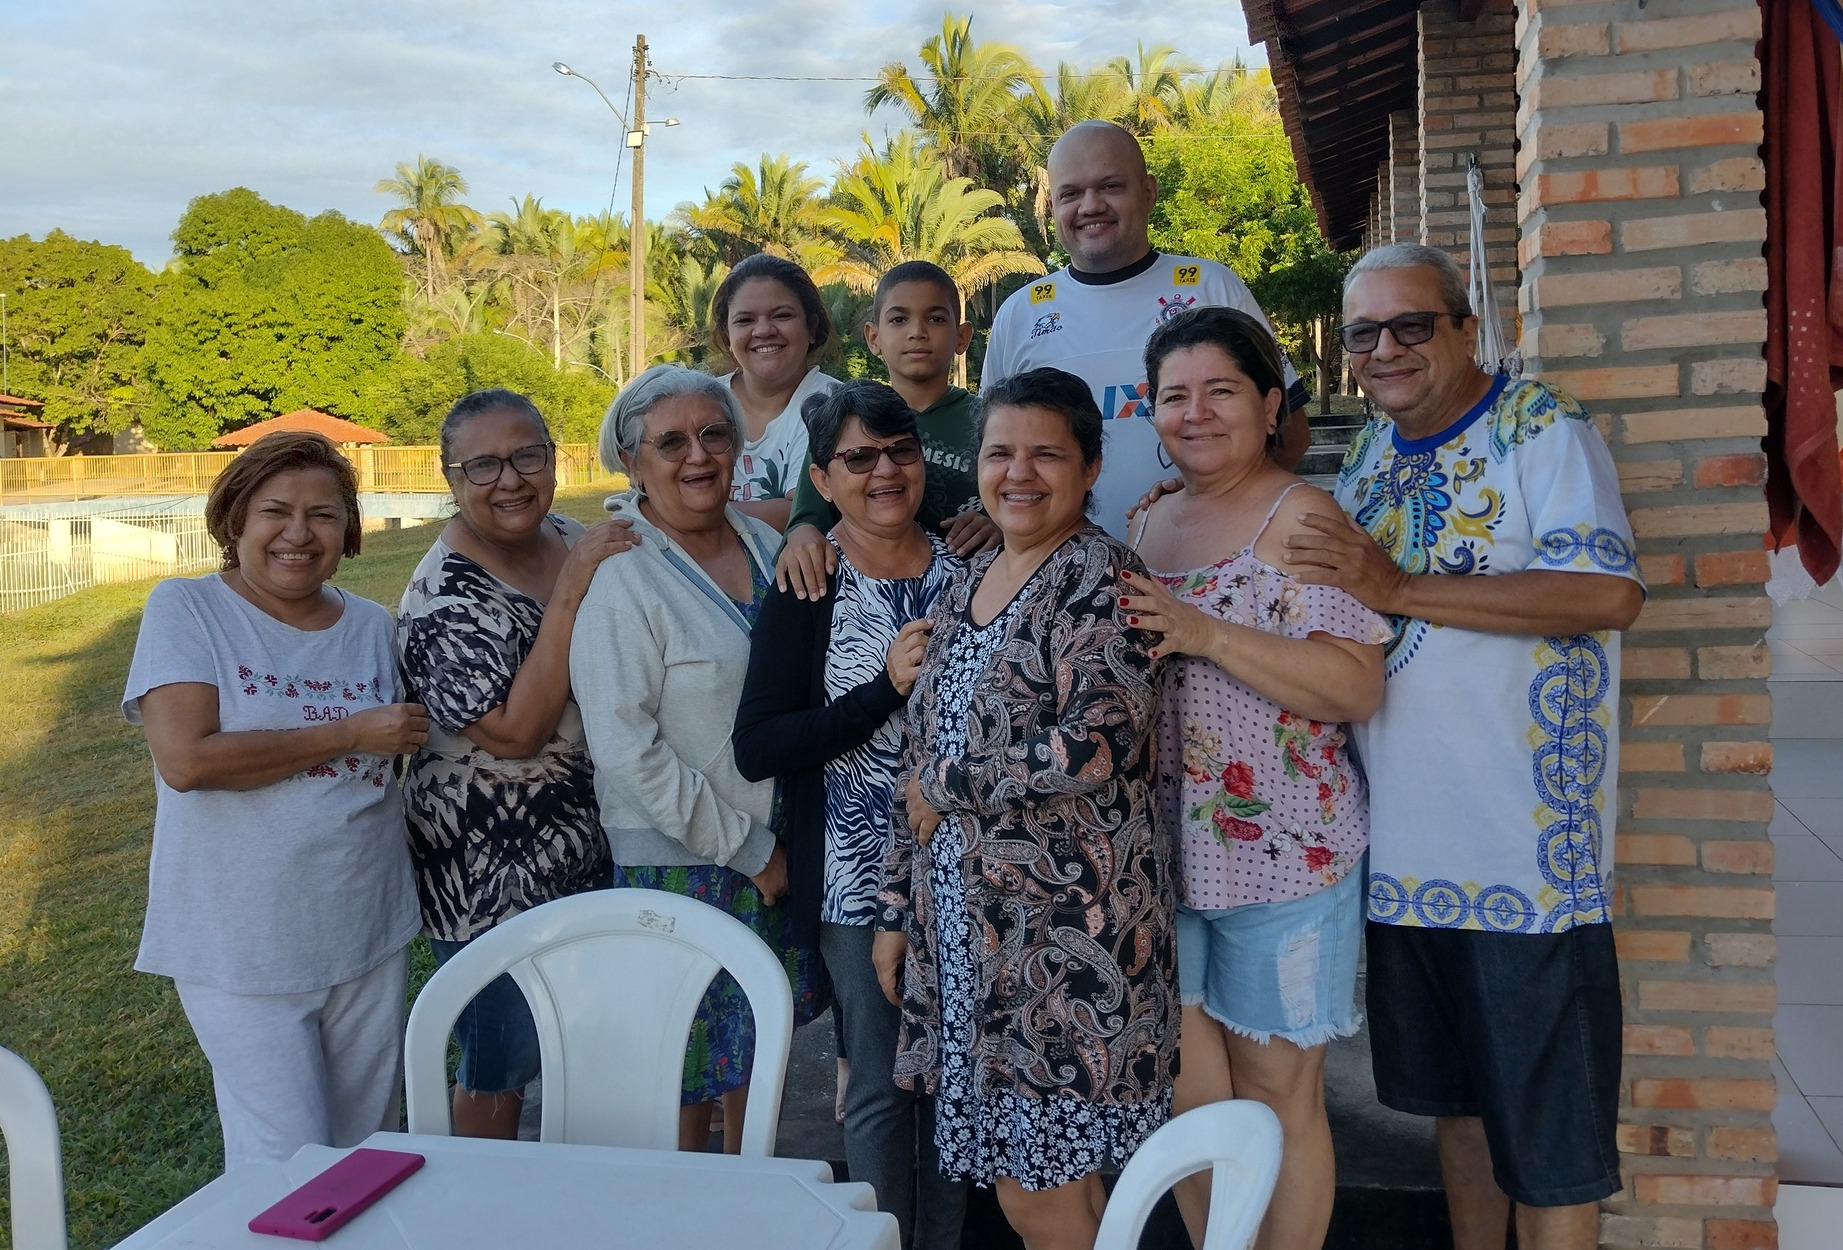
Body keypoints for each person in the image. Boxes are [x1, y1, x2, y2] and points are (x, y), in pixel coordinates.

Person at [1285, 244, 1645, 1250]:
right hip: (1401, 863)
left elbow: (1606, 594)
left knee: (1550, 1141)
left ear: (1463, 327)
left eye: (1412, 325)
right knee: (1458, 1113)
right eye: (1365, 332)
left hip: (1525, 864)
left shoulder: (1539, 427)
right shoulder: (1364, 458)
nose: (1386, 348)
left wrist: (1395, 586)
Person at [874, 368, 1177, 1250]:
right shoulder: (965, 575)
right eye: (1000, 452)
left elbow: (1098, 740)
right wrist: (897, 911)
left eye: (1047, 453)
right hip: (969, 944)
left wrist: (946, 788)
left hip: (1062, 948)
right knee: (1031, 1193)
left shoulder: (1099, 576)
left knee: (1043, 1195)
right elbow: (919, 750)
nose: (1020, 473)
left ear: (1088, 468)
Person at [1117, 307, 1390, 1250]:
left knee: (1277, 1096)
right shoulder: (1148, 519)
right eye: (1173, 395)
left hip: (1285, 859)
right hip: (1158, 860)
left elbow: (1355, 683)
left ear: (1270, 403)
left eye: (1221, 391)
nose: (1195, 413)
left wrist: (1206, 634)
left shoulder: (1304, 519)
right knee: (1190, 1097)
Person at [123, 431, 427, 1167]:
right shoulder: (189, 610)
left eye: (323, 515)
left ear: (348, 531)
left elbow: (391, 763)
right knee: (284, 1161)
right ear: (235, 521)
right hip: (242, 944)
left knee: (366, 1151)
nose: (298, 533)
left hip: (365, 925)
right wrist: (348, 731)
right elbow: (188, 759)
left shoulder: (370, 627)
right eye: (275, 511)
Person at [569, 363, 826, 1153]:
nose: (697, 456)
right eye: (670, 441)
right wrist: (751, 850)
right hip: (684, 861)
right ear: (633, 461)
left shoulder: (764, 540)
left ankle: (752, 1206)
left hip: (776, 839)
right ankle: (684, 1214)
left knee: (759, 1051)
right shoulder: (623, 573)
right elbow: (621, 747)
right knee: (683, 1069)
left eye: (714, 435)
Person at [734, 380, 966, 1250]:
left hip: (965, 871)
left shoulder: (969, 566)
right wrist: (882, 692)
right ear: (822, 481)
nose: (883, 471)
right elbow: (759, 743)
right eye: (857, 458)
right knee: (877, 1085)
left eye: (898, 451)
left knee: (954, 1082)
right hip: (854, 877)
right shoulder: (810, 582)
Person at [397, 389, 636, 1139]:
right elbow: (515, 731)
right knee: (500, 1061)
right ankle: (477, 1210)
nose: (510, 480)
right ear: (451, 477)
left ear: (552, 458)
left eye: (527, 456)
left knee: (586, 1045)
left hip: (583, 845)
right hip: (485, 868)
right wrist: (570, 592)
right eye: (484, 465)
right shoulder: (440, 599)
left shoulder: (568, 535)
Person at [981, 119, 1311, 538]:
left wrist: (1226, 520)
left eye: (1111, 186)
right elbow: (994, 455)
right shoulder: (1020, 313)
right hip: (1063, 578)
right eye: (1070, 193)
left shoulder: (1213, 287)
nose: (1090, 205)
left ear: (1149, 191)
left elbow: (1290, 432)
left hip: (1201, 567)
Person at [777, 260, 1000, 598]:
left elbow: (1021, 502)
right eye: (899, 319)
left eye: (936, 318)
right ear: (873, 338)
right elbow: (806, 521)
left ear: (962, 336)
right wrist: (803, 535)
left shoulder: (990, 422)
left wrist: (999, 526)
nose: (917, 331)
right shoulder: (843, 419)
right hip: (865, 600)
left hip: (975, 592)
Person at [712, 252, 840, 532]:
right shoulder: (701, 402)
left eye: (782, 315)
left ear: (812, 327)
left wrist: (683, 514)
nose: (764, 330)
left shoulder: (835, 404)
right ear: (726, 334)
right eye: (745, 320)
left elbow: (800, 512)